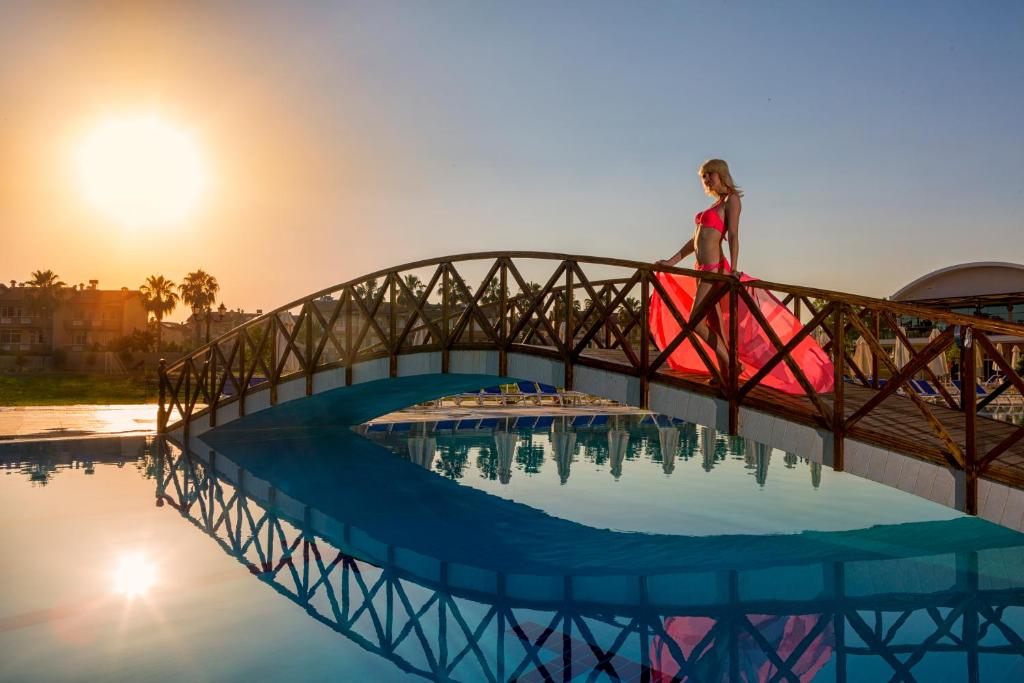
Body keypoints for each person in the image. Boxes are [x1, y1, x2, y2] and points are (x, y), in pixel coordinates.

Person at [651, 159, 833, 395]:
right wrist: (671, 262)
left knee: (694, 321)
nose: (706, 180)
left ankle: (732, 364)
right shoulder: (716, 204)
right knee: (715, 324)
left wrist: (734, 269)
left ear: (721, 174)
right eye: (703, 176)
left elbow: (734, 235)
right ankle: (724, 373)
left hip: (715, 271)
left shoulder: (732, 200)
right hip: (701, 270)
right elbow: (695, 240)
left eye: (710, 174)